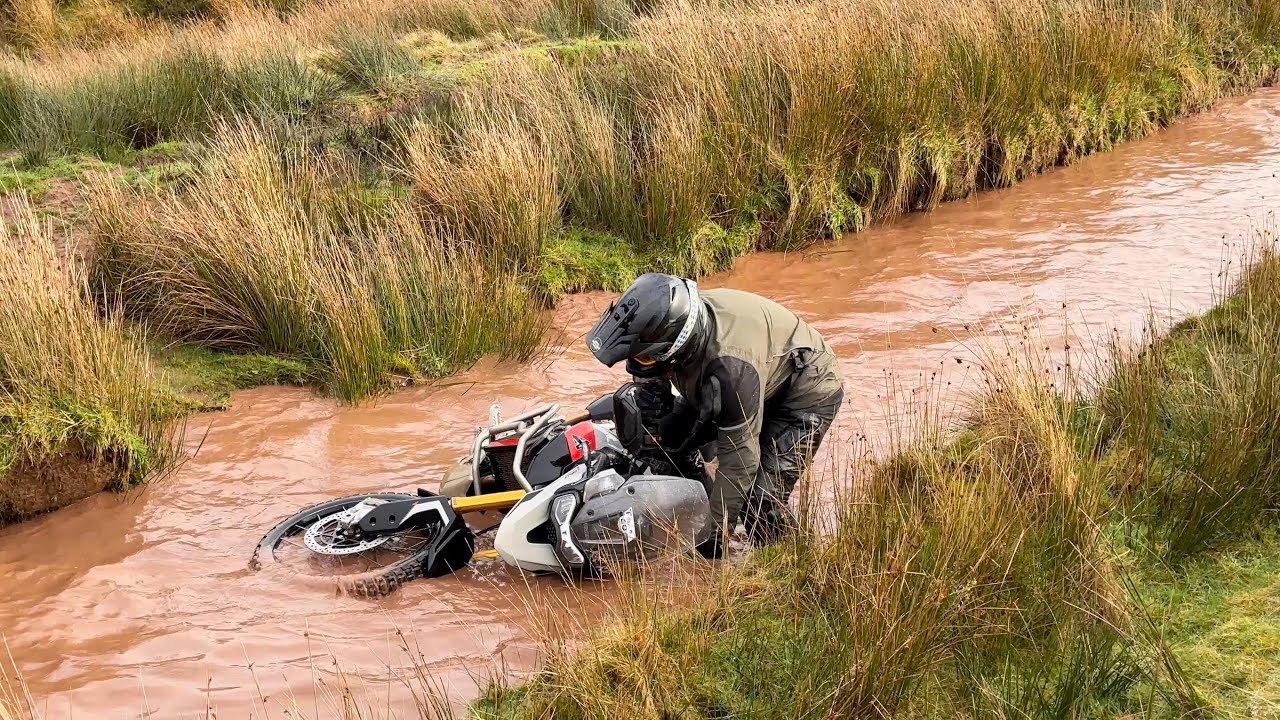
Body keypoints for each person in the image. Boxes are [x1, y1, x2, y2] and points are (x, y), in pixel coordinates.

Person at [586, 273, 844, 558]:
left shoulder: (729, 372)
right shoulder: (673, 322)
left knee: (759, 501)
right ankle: (701, 501)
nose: (636, 365)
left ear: (673, 348)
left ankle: (790, 563)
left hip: (804, 390)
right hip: (746, 373)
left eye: (644, 358)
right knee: (665, 440)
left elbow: (740, 464)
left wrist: (713, 532)